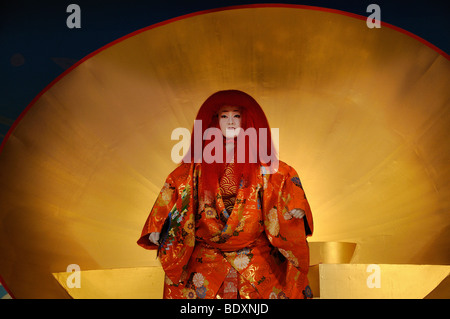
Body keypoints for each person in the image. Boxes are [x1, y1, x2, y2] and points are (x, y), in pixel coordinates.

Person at [137, 90, 313, 299]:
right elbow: (175, 187)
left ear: (248, 119)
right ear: (213, 120)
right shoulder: (195, 168)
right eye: (224, 116)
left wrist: (295, 203)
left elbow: (284, 178)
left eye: (237, 116)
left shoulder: (266, 167)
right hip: (205, 260)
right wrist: (159, 225)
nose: (230, 122)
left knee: (282, 286)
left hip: (257, 259)